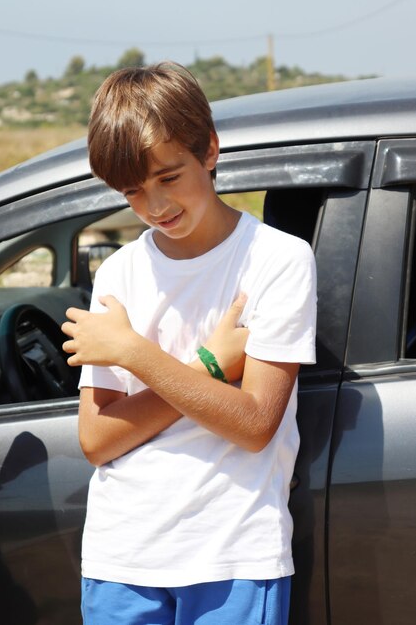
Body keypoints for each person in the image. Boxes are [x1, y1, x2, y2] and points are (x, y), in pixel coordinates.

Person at [61, 62, 317, 625]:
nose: (154, 207)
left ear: (210, 151)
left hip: (233, 551)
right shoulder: (119, 274)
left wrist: (133, 352)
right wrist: (207, 364)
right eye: (132, 191)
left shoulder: (277, 261)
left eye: (169, 177)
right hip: (122, 554)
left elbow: (253, 425)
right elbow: (97, 440)